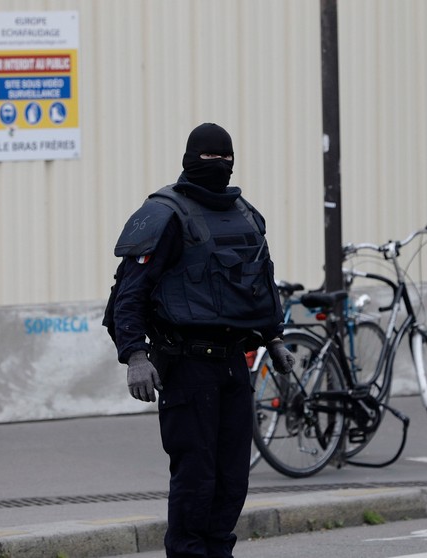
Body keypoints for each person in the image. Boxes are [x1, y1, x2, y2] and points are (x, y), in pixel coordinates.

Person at [110, 122, 295, 558]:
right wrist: (135, 354)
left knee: (232, 480)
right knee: (196, 479)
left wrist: (275, 338)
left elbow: (260, 283)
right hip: (187, 366)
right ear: (189, 159)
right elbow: (129, 293)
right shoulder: (165, 214)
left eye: (225, 158)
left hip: (234, 364)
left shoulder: (245, 214)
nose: (218, 165)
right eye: (210, 158)